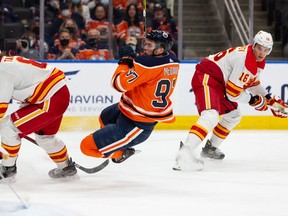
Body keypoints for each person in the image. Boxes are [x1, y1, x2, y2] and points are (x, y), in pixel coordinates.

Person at [173, 30, 288, 171]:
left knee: (234, 115)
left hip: (220, 83)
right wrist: (255, 101)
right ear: (254, 45)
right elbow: (233, 94)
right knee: (211, 114)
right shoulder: (245, 60)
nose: (261, 53)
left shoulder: (255, 60)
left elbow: (252, 84)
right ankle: (185, 152)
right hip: (208, 76)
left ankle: (210, 149)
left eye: (266, 50)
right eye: (259, 48)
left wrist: (268, 98)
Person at [80, 30, 180, 164]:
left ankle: (120, 153)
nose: (145, 47)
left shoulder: (147, 65)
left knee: (86, 147)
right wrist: (136, 60)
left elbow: (117, 84)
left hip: (137, 124)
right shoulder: (172, 58)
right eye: (145, 43)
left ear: (160, 49)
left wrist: (125, 61)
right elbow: (148, 68)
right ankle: (111, 145)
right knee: (105, 116)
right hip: (130, 110)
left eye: (149, 45)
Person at [0, 54, 77, 179]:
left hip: (50, 99)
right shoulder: (5, 64)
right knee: (45, 137)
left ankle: (8, 169)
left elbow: (1, 108)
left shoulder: (3, 71)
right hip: (54, 94)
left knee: (8, 128)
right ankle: (66, 167)